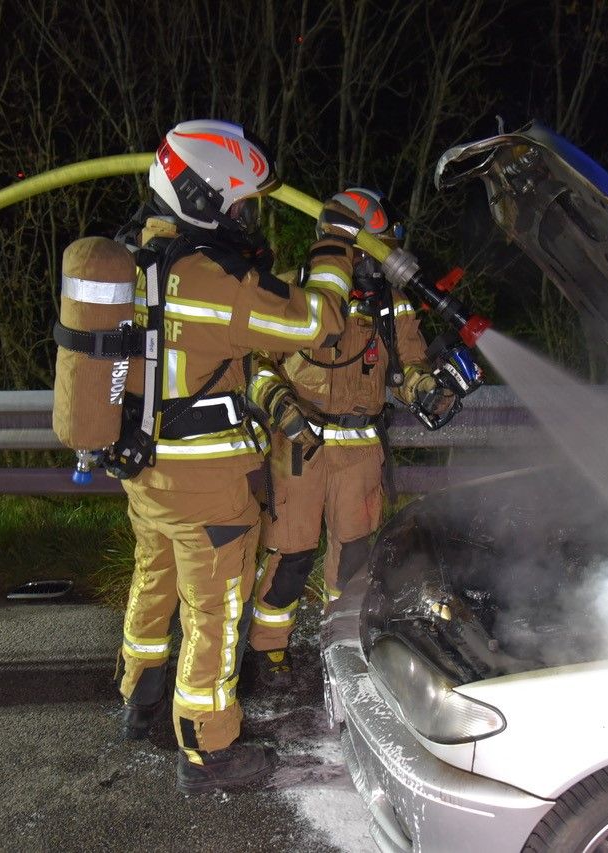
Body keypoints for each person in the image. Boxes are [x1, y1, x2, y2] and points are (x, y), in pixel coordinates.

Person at [110, 121, 362, 792]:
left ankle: (139, 698)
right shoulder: (211, 279)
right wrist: (335, 246)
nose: (246, 217)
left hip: (146, 471)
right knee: (214, 613)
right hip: (207, 485)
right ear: (204, 196)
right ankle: (210, 748)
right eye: (240, 203)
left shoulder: (134, 261)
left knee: (153, 583)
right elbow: (317, 323)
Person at [243, 188, 455, 689]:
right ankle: (267, 649)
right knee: (291, 554)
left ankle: (338, 647)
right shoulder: (294, 289)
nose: (375, 261)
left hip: (359, 450)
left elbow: (409, 365)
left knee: (355, 559)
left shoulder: (390, 305)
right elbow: (254, 362)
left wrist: (425, 387)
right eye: (371, 248)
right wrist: (278, 403)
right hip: (299, 446)